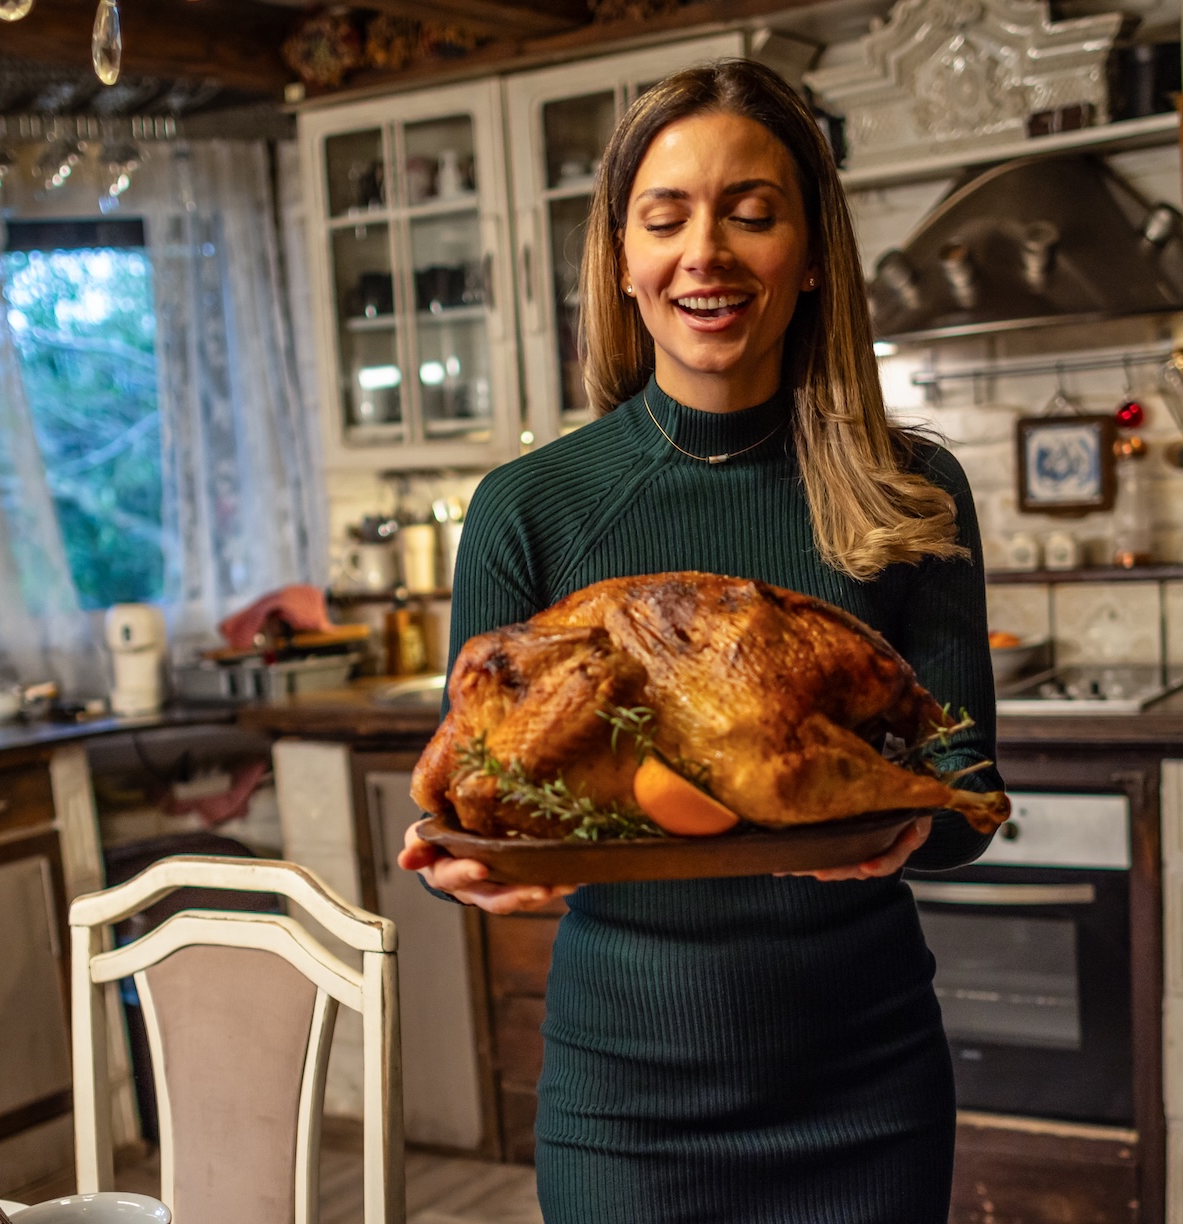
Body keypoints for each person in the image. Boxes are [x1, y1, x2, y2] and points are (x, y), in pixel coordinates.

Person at [398, 57, 1000, 1224]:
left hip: (863, 1083)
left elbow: (966, 793)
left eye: (752, 214)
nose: (705, 255)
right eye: (664, 218)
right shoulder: (530, 509)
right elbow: (474, 798)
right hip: (623, 1104)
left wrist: (908, 826)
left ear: (813, 254)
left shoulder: (908, 490)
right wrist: (466, 869)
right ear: (621, 262)